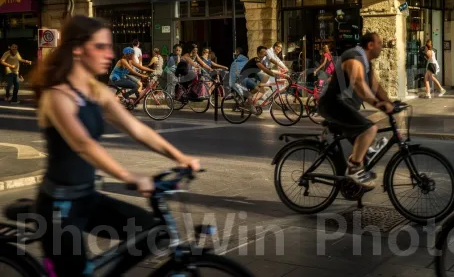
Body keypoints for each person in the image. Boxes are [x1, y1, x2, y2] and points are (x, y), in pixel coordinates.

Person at [30, 15, 200, 276]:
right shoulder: (57, 96)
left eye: (110, 47)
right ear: (77, 48)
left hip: (87, 196)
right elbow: (84, 145)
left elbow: (137, 129)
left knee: (150, 230)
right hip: (59, 208)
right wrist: (129, 176)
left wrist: (181, 157)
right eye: (101, 47)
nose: (109, 54)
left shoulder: (97, 91)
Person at [318, 33, 395, 189]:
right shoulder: (353, 57)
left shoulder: (366, 62)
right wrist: (379, 105)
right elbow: (359, 85)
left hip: (346, 106)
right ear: (370, 45)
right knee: (369, 130)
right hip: (333, 104)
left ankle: (352, 184)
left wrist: (390, 104)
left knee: (366, 147)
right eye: (379, 42)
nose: (382, 45)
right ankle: (353, 169)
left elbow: (375, 87)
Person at [240, 46, 285, 114]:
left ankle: (247, 98)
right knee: (257, 88)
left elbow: (268, 69)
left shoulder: (262, 62)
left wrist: (280, 73)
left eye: (265, 53)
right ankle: (249, 102)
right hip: (243, 78)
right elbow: (265, 69)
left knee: (263, 85)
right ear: (258, 53)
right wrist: (275, 75)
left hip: (250, 77)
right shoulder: (256, 59)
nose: (264, 54)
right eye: (262, 52)